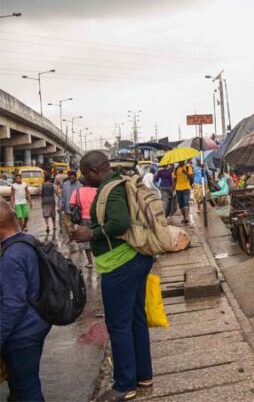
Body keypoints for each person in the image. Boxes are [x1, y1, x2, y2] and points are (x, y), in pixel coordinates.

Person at [71, 151, 152, 402]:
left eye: (86, 175)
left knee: (118, 325)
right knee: (137, 318)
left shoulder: (110, 189)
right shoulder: (121, 182)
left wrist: (91, 233)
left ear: (95, 170)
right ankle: (143, 374)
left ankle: (124, 385)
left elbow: (120, 222)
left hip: (121, 264)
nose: (85, 180)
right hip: (136, 259)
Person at [0, 199, 51, 402]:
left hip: (22, 332)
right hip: (37, 322)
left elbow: (13, 304)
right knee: (22, 384)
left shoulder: (10, 256)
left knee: (26, 386)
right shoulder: (26, 240)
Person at [69, 183, 97, 268]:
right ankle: (98, 259)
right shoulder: (96, 191)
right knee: (96, 237)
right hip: (95, 218)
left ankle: (90, 262)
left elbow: (71, 205)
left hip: (82, 218)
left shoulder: (76, 192)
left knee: (86, 241)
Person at [60, 171, 82, 240]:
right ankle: (71, 237)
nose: (71, 179)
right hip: (67, 208)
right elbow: (63, 196)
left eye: (72, 177)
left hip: (77, 209)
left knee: (77, 223)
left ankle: (77, 236)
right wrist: (62, 206)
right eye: (70, 178)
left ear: (76, 177)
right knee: (67, 224)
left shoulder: (80, 185)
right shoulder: (65, 184)